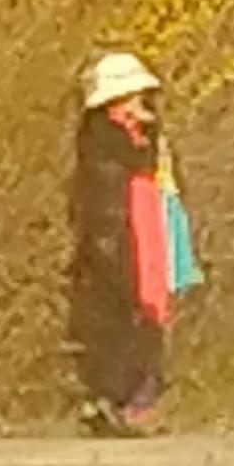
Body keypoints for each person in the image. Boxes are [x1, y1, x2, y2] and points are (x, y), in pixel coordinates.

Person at [69, 50, 193, 434]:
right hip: (120, 249)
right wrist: (115, 260)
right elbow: (105, 213)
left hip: (143, 244)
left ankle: (131, 402)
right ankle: (116, 402)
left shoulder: (144, 144)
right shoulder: (104, 147)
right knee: (120, 325)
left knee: (143, 323)